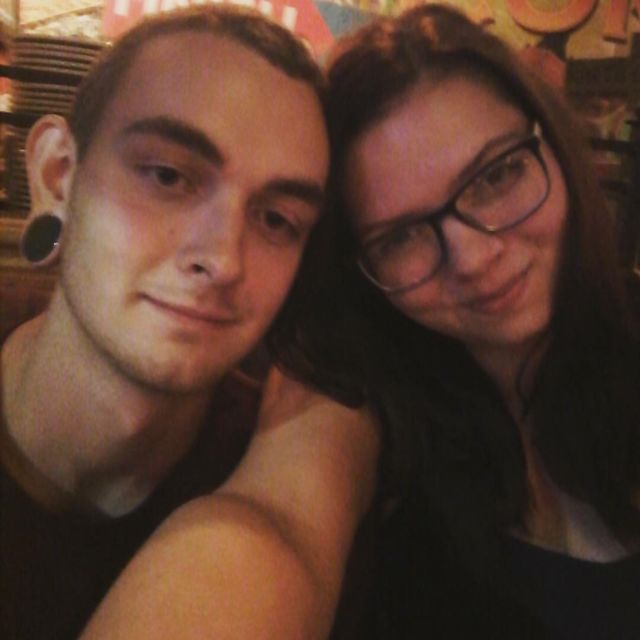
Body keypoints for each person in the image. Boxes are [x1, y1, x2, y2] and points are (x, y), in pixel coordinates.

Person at [0, 6, 378, 639]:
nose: (224, 260)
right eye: (169, 176)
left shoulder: (289, 468)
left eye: (276, 220)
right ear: (56, 176)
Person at [318, 4, 640, 638]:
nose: (472, 257)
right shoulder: (384, 439)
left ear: (551, 145)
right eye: (401, 235)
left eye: (496, 175)